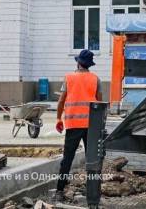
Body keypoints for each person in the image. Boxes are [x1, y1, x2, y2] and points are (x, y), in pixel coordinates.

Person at [54, 49, 102, 202]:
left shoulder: (69, 78)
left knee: (67, 159)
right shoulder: (96, 79)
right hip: (91, 126)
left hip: (73, 125)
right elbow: (99, 103)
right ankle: (93, 191)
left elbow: (61, 101)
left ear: (78, 62)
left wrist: (58, 119)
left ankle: (59, 191)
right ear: (89, 64)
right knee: (92, 159)